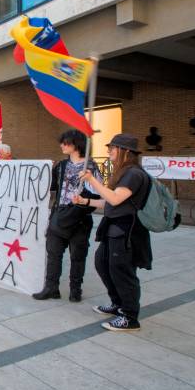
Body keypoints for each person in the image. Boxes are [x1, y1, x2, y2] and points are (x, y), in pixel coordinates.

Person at [75, 134, 152, 332]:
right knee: (102, 263)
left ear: (125, 151)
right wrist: (85, 201)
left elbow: (116, 199)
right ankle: (117, 304)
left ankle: (130, 317)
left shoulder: (134, 174)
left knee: (122, 271)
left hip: (127, 230)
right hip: (113, 228)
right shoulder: (123, 173)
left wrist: (92, 180)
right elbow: (109, 201)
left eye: (113, 147)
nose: (109, 151)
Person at [33, 130, 101, 302]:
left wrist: (87, 188)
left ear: (76, 144)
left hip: (79, 218)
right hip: (59, 215)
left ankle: (75, 290)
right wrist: (45, 171)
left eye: (65, 142)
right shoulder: (62, 165)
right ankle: (51, 288)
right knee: (53, 253)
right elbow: (50, 186)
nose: (62, 145)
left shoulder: (90, 167)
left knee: (77, 256)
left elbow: (98, 193)